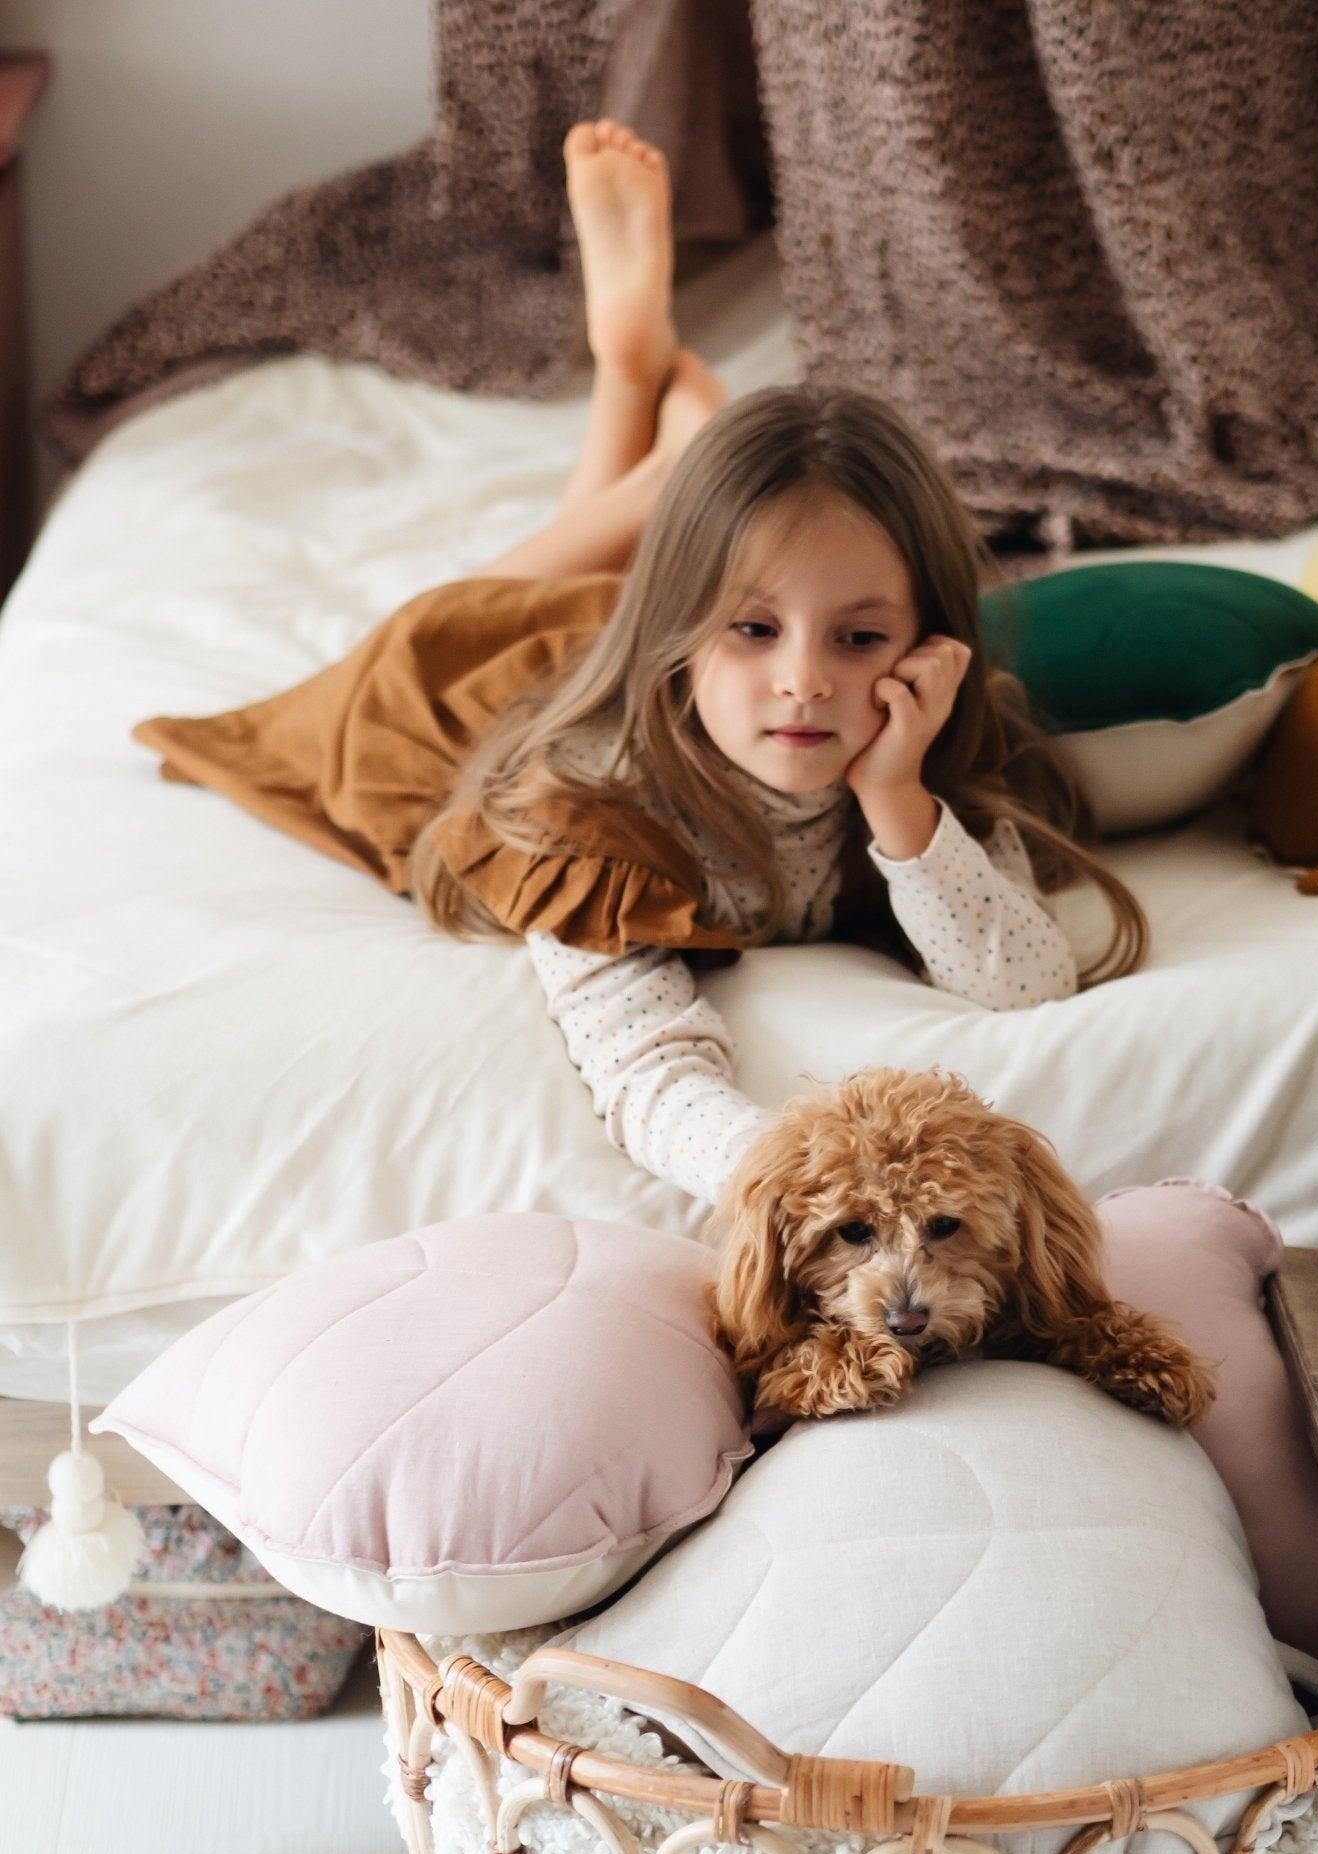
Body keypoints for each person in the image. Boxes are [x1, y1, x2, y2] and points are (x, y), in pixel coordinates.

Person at [411, 120, 1146, 1205]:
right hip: (473, 684)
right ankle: (639, 404)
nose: (806, 680)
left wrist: (896, 797)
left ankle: (664, 449)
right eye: (759, 630)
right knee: (487, 613)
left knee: (636, 581)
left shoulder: (914, 757)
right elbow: (646, 1068)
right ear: (692, 629)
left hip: (662, 644)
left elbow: (1025, 983)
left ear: (926, 642)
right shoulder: (589, 813)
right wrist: (801, 1184)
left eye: (857, 638)